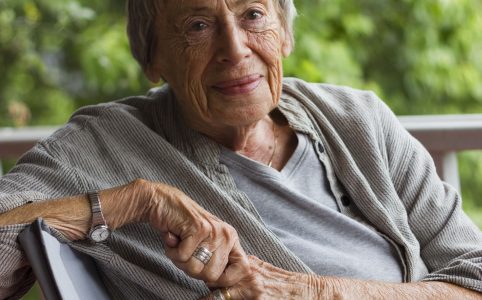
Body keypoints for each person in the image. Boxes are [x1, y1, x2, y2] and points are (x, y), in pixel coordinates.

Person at [1, 0, 481, 299]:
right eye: (197, 25)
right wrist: (130, 202)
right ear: (152, 57)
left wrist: (310, 293)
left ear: (285, 33)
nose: (234, 48)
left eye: (252, 14)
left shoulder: (358, 120)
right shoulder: (105, 145)